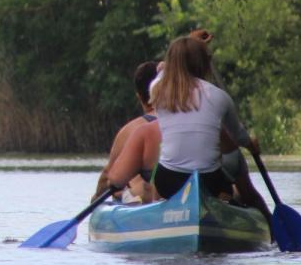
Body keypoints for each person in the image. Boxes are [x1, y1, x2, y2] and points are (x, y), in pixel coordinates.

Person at [108, 36, 259, 202]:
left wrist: (172, 59)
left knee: (154, 185)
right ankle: (223, 198)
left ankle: (159, 204)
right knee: (227, 180)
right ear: (205, 64)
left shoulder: (158, 91)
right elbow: (238, 137)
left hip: (169, 180)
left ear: (172, 64)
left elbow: (160, 70)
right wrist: (251, 145)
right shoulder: (221, 97)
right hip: (210, 181)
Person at [94, 61, 160, 203]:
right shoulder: (184, 120)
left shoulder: (131, 129)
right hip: (176, 196)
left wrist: (95, 200)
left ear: (139, 96)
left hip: (145, 195)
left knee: (129, 182)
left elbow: (108, 175)